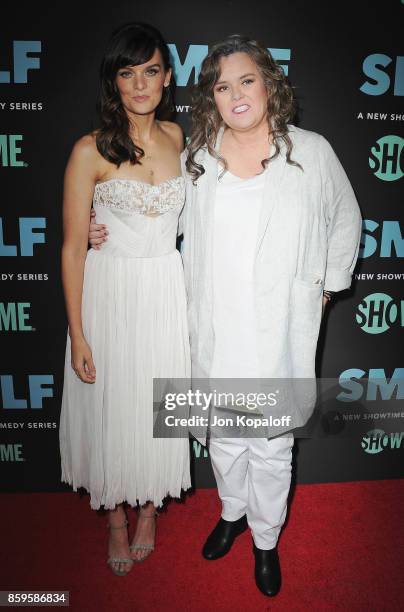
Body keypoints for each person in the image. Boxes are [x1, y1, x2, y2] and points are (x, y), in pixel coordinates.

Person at [90, 35, 362, 596]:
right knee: (224, 439)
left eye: (246, 80)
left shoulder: (311, 151)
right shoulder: (198, 158)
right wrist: (105, 231)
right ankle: (232, 513)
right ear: (210, 97)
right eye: (221, 85)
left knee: (271, 445)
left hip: (277, 330)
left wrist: (326, 287)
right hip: (215, 327)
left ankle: (266, 539)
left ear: (269, 84)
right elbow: (162, 221)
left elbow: (346, 216)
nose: (235, 94)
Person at [59, 22, 191, 577]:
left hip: (165, 288)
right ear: (114, 81)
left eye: (152, 71)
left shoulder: (179, 138)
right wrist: (79, 333)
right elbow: (71, 248)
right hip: (110, 294)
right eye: (128, 73)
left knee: (154, 403)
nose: (141, 84)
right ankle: (115, 515)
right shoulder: (90, 149)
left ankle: (151, 507)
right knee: (112, 406)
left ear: (166, 77)